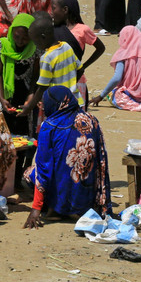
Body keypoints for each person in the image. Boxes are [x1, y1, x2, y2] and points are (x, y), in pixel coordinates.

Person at [23, 86, 111, 229]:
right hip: (86, 195)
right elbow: (101, 161)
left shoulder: (50, 126)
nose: (43, 107)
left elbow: (44, 169)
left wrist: (35, 209)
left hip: (61, 192)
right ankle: (76, 208)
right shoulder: (91, 120)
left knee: (29, 173)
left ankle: (54, 209)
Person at [89, 26, 141, 112]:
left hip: (136, 96)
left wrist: (101, 96)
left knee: (114, 93)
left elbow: (117, 78)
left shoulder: (123, 54)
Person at [21, 12, 82, 119]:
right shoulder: (66, 46)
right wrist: (71, 84)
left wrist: (29, 107)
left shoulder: (46, 58)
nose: (36, 46)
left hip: (59, 106)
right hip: (76, 100)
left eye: (36, 42)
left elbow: (42, 87)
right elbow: (80, 69)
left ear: (43, 37)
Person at [51, 0, 105, 104]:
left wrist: (83, 65)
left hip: (76, 78)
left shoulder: (82, 30)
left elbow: (100, 48)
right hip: (55, 78)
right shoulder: (53, 29)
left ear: (65, 10)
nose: (51, 12)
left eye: (53, 8)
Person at [0, 13, 39, 137]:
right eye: (17, 36)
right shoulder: (2, 46)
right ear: (12, 32)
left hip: (24, 92)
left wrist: (30, 100)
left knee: (23, 131)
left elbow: (35, 77)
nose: (20, 41)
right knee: (3, 132)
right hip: (4, 92)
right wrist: (2, 99)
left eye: (25, 38)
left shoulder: (35, 50)